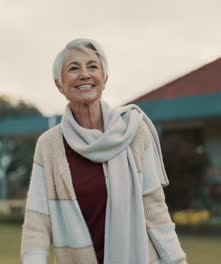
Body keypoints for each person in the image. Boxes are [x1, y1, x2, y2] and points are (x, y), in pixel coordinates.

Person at [21, 39, 187, 264]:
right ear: (59, 84)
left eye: (92, 66)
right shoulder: (49, 145)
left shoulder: (134, 131)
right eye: (73, 68)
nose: (84, 74)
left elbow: (155, 209)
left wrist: (177, 261)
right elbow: (37, 223)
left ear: (104, 79)